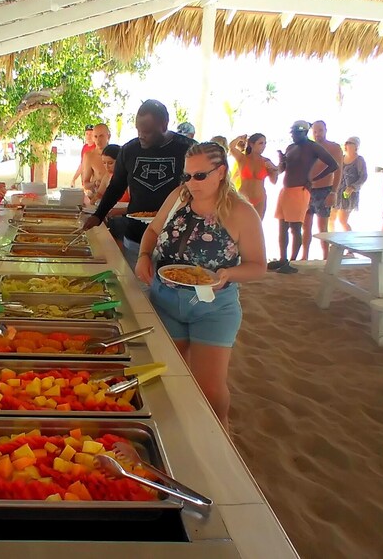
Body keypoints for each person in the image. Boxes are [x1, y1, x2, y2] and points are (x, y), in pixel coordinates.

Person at [134, 142, 265, 427]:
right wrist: (144, 255)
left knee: (210, 388)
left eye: (200, 176)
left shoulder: (241, 211)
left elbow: (258, 265)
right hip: (165, 299)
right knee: (165, 374)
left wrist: (227, 275)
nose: (192, 183)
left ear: (220, 172)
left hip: (214, 306)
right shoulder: (179, 197)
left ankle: (220, 436)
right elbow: (154, 230)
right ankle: (171, 431)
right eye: (187, 176)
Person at [83, 100, 195, 269]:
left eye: (147, 132)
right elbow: (116, 186)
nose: (141, 135)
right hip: (136, 237)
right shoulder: (129, 150)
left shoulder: (187, 149)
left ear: (164, 126)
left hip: (176, 240)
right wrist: (98, 215)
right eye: (138, 130)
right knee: (137, 289)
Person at [269, 121, 339, 274]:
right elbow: (283, 169)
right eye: (292, 132)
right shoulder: (291, 147)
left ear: (304, 132)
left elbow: (333, 165)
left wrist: (314, 179)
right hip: (286, 190)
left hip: (299, 191)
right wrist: (282, 161)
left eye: (296, 132)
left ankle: (293, 262)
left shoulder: (312, 147)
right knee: (282, 227)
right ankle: (283, 259)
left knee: (295, 228)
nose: (293, 135)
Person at [302, 120, 344, 261]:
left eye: (320, 130)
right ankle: (304, 256)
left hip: (324, 190)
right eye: (315, 131)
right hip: (307, 190)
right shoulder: (308, 147)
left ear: (326, 130)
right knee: (306, 226)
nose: (317, 134)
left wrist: (334, 192)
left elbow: (338, 171)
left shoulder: (334, 147)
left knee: (323, 227)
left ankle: (326, 257)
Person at [229, 133, 279, 219]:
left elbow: (273, 181)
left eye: (265, 143)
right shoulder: (242, 158)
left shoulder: (266, 161)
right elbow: (231, 146)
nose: (264, 146)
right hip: (243, 198)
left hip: (260, 198)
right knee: (240, 225)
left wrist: (274, 169)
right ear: (251, 144)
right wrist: (240, 138)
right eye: (260, 143)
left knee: (257, 227)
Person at [332, 136, 368, 232]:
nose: (346, 145)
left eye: (349, 143)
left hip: (349, 194)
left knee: (342, 220)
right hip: (337, 192)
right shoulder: (341, 158)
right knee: (331, 218)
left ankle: (349, 240)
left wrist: (353, 187)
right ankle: (330, 241)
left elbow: (363, 177)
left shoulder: (359, 160)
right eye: (346, 143)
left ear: (356, 146)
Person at [81, 123, 112, 199]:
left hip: (115, 198)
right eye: (95, 136)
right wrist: (95, 183)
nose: (98, 140)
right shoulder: (89, 156)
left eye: (101, 136)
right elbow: (85, 184)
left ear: (108, 136)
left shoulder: (118, 154)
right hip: (97, 198)